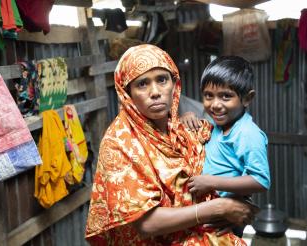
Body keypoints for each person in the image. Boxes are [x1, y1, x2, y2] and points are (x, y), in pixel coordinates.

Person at [85, 45, 258, 245]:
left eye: (162, 80)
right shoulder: (119, 143)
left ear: (174, 84)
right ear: (127, 93)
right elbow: (146, 224)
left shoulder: (184, 129)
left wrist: (239, 203)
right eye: (142, 84)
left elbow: (232, 161)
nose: (155, 92)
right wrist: (218, 208)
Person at [181, 56, 271, 237]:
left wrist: (210, 181)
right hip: (210, 210)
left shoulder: (247, 133)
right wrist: (186, 118)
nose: (215, 104)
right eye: (208, 96)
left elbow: (260, 181)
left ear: (247, 98)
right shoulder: (216, 126)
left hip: (226, 217)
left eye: (226, 96)